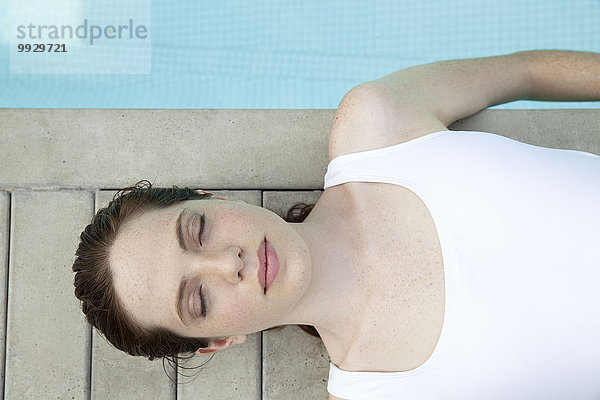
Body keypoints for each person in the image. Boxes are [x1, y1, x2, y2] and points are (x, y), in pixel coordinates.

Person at [72, 49, 600, 399]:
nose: (227, 262)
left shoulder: (376, 125)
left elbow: (523, 72)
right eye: (198, 299)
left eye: (198, 230)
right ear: (218, 340)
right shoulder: (378, 391)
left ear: (213, 198)